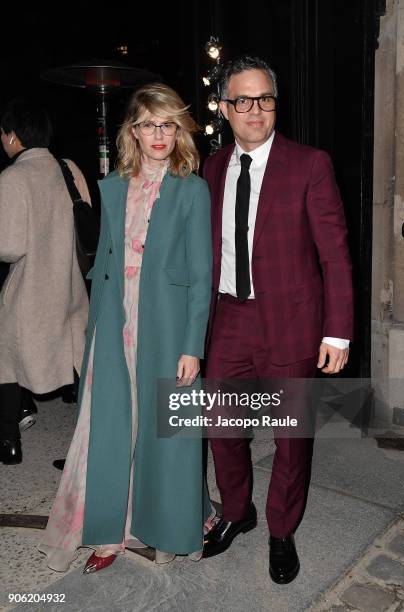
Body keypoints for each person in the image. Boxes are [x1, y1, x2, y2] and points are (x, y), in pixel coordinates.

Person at [39, 83, 213, 573]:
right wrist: (93, 330)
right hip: (116, 322)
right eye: (148, 124)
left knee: (169, 431)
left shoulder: (192, 189)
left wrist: (192, 346)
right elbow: (107, 263)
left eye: (167, 124)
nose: (158, 134)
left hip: (168, 324)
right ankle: (108, 531)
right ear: (132, 132)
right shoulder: (112, 186)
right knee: (113, 427)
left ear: (178, 130)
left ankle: (172, 524)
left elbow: (202, 277)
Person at [202, 56, 354, 584]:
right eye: (243, 100)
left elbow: (335, 253)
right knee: (222, 428)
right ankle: (237, 511)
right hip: (229, 318)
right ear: (225, 108)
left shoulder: (310, 163)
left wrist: (337, 331)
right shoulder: (213, 167)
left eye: (265, 98)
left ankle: (281, 530)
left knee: (291, 439)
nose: (256, 110)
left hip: (292, 323)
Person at [0, 99, 90, 464]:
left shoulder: (13, 177)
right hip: (70, 286)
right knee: (80, 364)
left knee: (6, 362)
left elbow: (10, 246)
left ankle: (8, 442)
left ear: (14, 137)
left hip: (31, 290)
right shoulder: (68, 168)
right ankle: (89, 444)